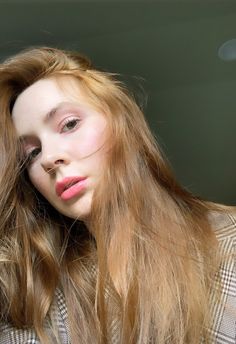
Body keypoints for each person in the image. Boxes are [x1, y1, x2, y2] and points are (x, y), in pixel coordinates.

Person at [0, 47, 235, 344]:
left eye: (69, 124)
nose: (49, 157)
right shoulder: (38, 302)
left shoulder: (229, 244)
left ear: (124, 125)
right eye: (32, 153)